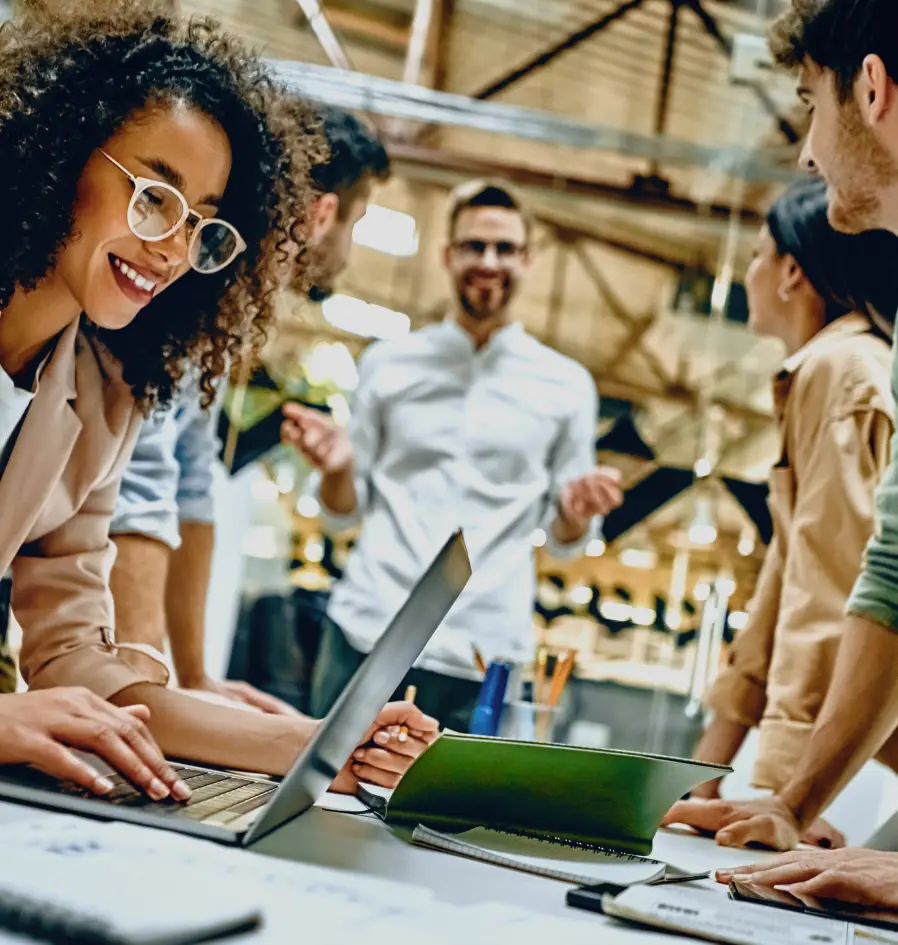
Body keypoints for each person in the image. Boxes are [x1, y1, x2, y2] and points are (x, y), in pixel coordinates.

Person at [0, 2, 434, 801]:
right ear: (57, 152)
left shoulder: (99, 395)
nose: (170, 248)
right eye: (155, 196)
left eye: (202, 222)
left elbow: (76, 662)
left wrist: (320, 739)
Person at [666, 0, 898, 866]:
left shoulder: (842, 368)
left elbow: (834, 593)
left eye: (810, 103)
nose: (807, 151)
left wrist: (791, 778)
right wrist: (777, 796)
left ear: (869, 89)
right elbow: (872, 577)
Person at [282, 179, 624, 731]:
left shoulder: (567, 386)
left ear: (528, 260)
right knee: (324, 801)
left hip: (485, 652)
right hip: (369, 632)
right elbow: (342, 510)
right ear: (447, 255)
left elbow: (566, 543)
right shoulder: (388, 364)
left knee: (456, 817)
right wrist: (339, 469)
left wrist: (576, 513)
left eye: (505, 248)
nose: (488, 261)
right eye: (473, 246)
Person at [107, 106, 389, 715]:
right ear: (322, 214)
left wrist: (192, 677)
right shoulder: (192, 282)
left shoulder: (232, 310)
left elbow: (190, 481)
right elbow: (142, 481)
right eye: (358, 222)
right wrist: (147, 694)